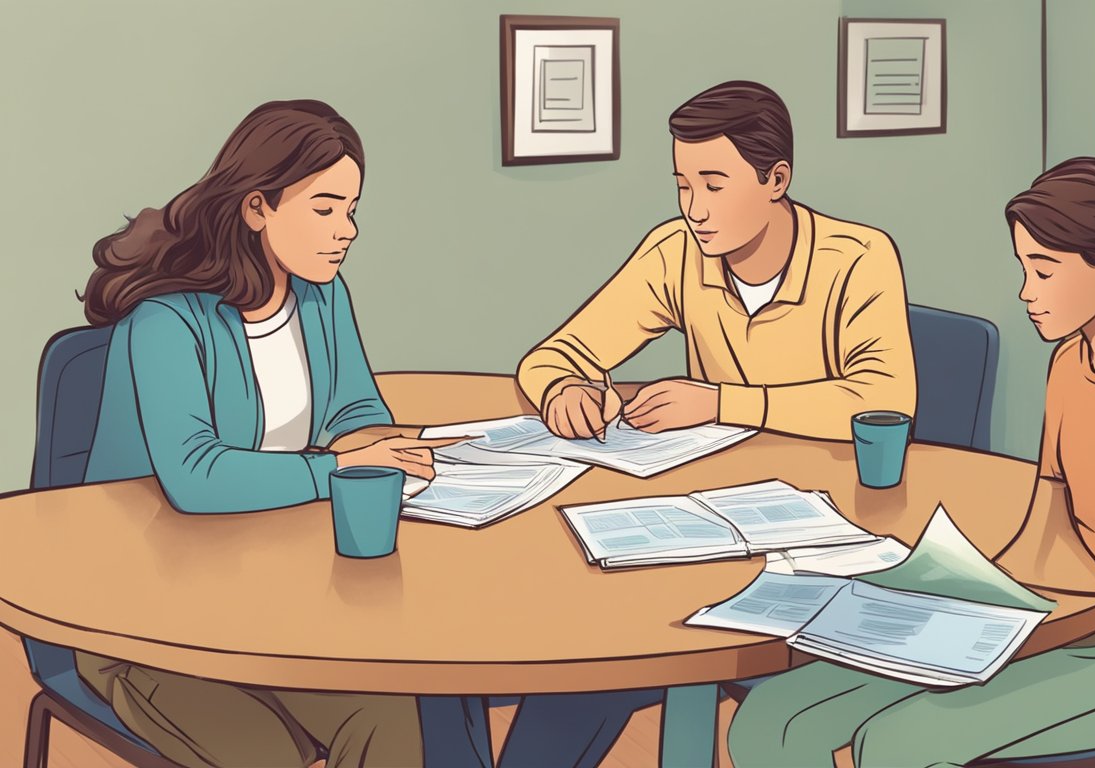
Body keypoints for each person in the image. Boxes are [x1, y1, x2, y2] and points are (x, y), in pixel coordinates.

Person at [727, 157, 1095, 767]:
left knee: (898, 745)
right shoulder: (1068, 365)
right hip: (1065, 617)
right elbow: (1050, 522)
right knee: (773, 721)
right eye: (1023, 268)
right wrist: (976, 595)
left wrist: (1087, 619)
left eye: (1044, 270)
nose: (1026, 293)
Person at [497, 80, 918, 767]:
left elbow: (884, 403)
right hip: (710, 529)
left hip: (830, 540)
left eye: (714, 185)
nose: (693, 209)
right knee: (579, 658)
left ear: (776, 179)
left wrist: (722, 400)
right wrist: (563, 391)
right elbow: (551, 355)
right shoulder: (676, 253)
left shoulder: (858, 258)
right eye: (682, 184)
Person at [75, 99, 488, 768]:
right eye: (325, 209)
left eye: (350, 209)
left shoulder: (321, 295)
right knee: (268, 753)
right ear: (257, 207)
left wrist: (374, 445)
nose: (346, 230)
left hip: (264, 593)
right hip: (144, 620)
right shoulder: (166, 323)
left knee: (388, 712)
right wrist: (338, 468)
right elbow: (196, 477)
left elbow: (357, 411)